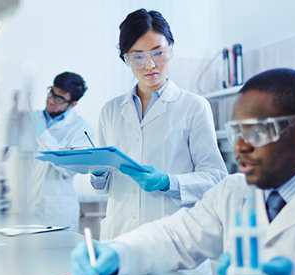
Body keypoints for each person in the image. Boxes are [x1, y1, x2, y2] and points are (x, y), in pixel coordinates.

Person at [71, 68, 295, 275]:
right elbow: (174, 236)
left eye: (257, 131)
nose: (241, 146)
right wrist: (117, 252)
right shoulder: (234, 192)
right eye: (237, 132)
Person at [90, 9, 227, 239]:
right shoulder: (110, 111)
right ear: (126, 59)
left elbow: (215, 177)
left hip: (175, 239)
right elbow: (102, 187)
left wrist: (167, 182)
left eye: (158, 53)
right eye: (138, 56)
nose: (150, 65)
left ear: (171, 49)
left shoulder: (194, 106)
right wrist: (97, 173)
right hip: (120, 237)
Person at [8, 72, 94, 232]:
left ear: (73, 104)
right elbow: (9, 142)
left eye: (59, 99)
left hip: (56, 212)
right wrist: (14, 113)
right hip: (24, 207)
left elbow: (68, 169)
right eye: (51, 93)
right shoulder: (34, 118)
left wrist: (40, 131)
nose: (51, 100)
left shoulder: (82, 130)